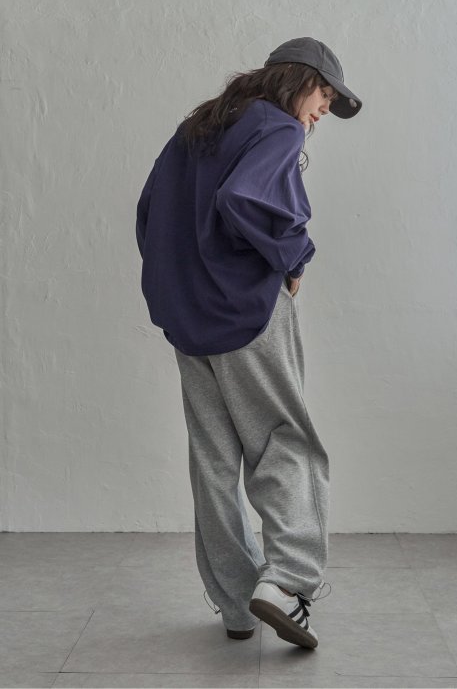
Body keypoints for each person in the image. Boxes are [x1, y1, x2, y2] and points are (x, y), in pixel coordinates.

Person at [135, 37, 362, 649]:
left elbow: (150, 209)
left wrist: (178, 282)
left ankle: (236, 604)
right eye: (324, 95)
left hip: (189, 319)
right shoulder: (278, 127)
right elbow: (245, 198)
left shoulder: (200, 127)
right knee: (285, 441)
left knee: (214, 460)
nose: (324, 110)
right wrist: (293, 255)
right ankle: (285, 582)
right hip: (248, 313)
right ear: (297, 81)